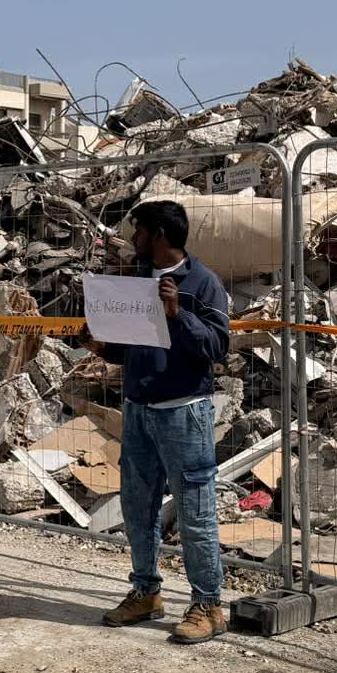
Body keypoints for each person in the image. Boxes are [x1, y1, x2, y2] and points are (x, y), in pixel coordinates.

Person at [93, 200, 232, 643]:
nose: (132, 240)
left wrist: (179, 315)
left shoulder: (202, 284)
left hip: (184, 412)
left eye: (137, 231)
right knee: (137, 506)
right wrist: (99, 346)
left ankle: (209, 604)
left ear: (158, 234)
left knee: (194, 510)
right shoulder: (135, 281)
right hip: (138, 411)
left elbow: (216, 346)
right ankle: (146, 591)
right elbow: (130, 346)